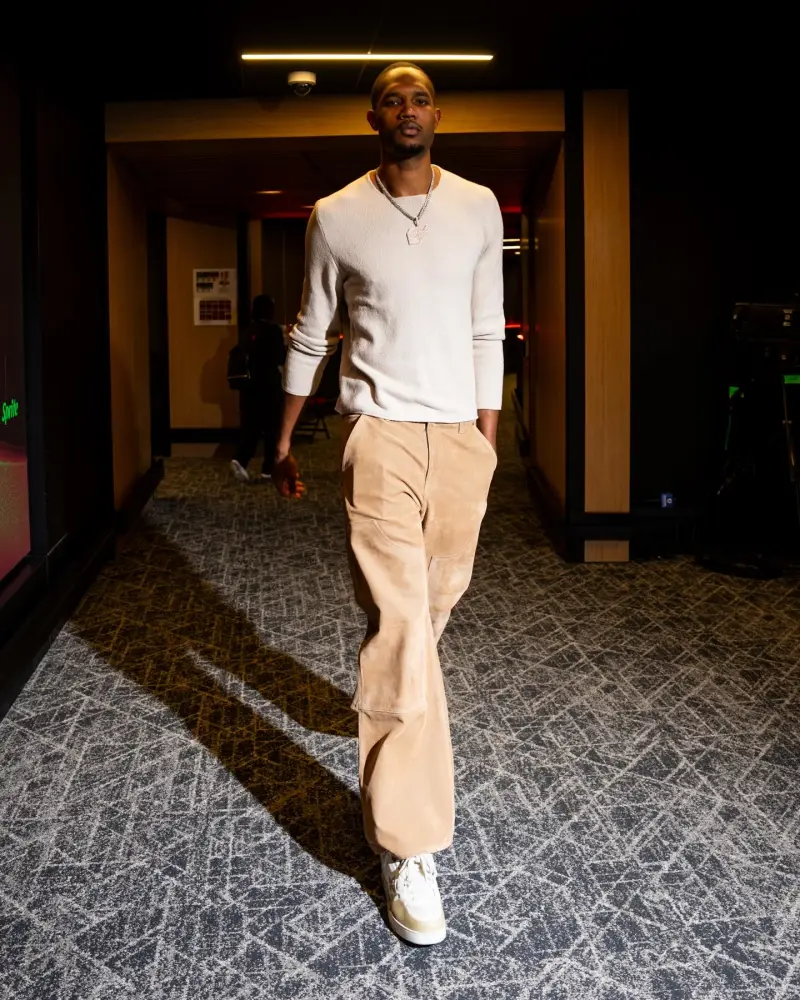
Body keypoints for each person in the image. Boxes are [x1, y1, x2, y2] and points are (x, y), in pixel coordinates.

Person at [272, 62, 504, 945]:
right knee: (403, 630)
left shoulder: (477, 206)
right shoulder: (336, 215)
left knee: (425, 618)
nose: (408, 109)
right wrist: (284, 438)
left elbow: (486, 326)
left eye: (421, 98)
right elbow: (311, 329)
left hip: (459, 439)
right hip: (378, 436)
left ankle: (388, 700)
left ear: (438, 116)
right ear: (374, 118)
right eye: (393, 99)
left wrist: (485, 439)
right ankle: (409, 845)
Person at [230, 294, 286, 482]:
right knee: (272, 428)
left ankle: (240, 459)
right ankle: (268, 469)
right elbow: (280, 357)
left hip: (249, 385)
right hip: (269, 384)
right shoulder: (273, 331)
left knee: (251, 426)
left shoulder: (247, 330)